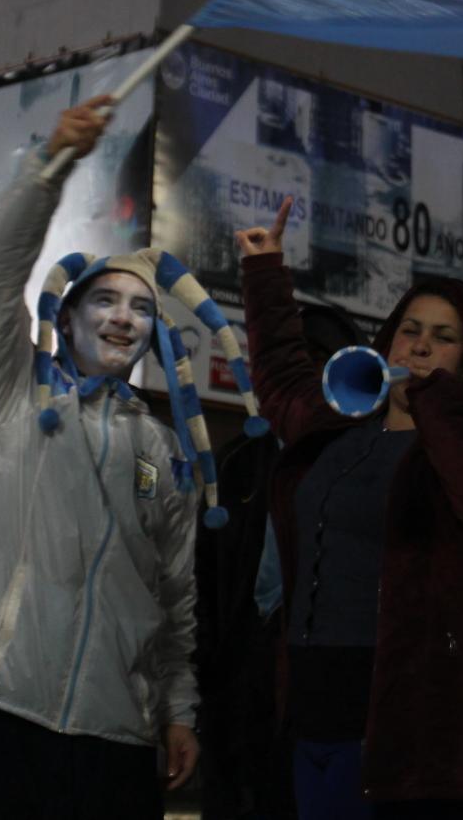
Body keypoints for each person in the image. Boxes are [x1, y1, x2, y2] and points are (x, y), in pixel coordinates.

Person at [0, 95, 254, 819]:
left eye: (139, 307)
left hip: (114, 740)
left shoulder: (163, 451)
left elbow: (175, 596)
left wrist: (179, 709)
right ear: (67, 317)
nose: (122, 316)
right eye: (103, 299)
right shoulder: (13, 396)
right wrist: (50, 165)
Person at [235, 196, 463, 819]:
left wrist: (436, 406)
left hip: (414, 728)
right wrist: (266, 273)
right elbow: (281, 377)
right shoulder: (341, 423)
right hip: (312, 710)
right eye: (410, 329)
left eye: (443, 338)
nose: (420, 346)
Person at [197, 302, 366, 820]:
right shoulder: (235, 463)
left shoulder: (369, 462)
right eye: (292, 359)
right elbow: (203, 588)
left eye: (319, 359)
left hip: (333, 696)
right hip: (241, 696)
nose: (304, 375)